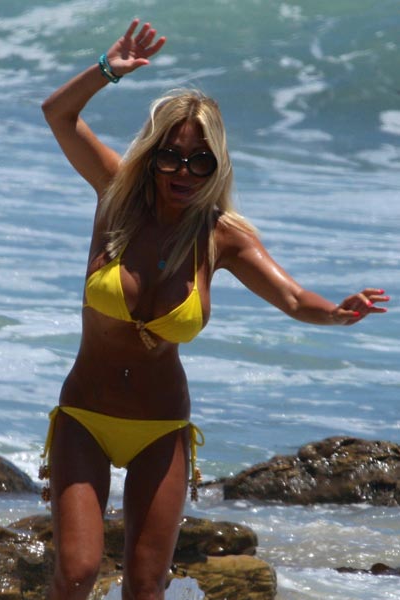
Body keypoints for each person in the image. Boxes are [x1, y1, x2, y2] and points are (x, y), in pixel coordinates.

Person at [40, 18, 389, 600]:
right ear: (152, 155)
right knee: (75, 573)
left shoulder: (221, 236)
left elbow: (293, 297)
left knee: (145, 587)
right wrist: (106, 70)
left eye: (200, 161)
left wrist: (336, 312)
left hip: (161, 427)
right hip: (85, 416)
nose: (183, 172)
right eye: (171, 157)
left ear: (217, 165)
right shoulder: (115, 196)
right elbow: (58, 114)